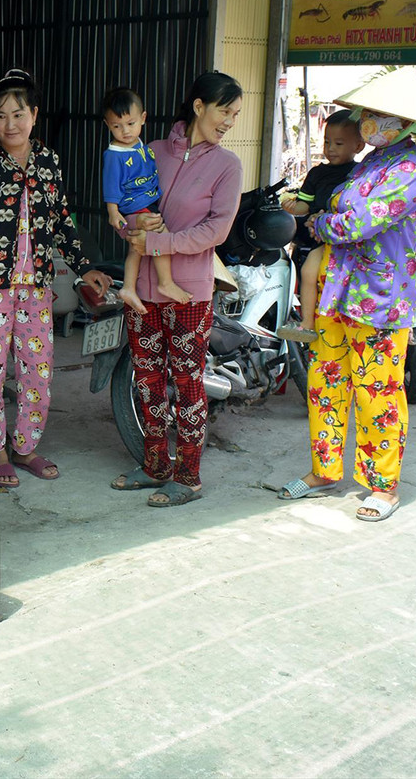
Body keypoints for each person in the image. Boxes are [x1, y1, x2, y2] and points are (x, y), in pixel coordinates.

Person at [276, 66, 416, 522]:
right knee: (325, 383)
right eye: (369, 113)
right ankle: (324, 471)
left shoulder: (412, 168)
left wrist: (316, 222)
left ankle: (383, 486)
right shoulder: (372, 162)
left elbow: (354, 222)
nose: (371, 121)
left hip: (380, 297)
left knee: (376, 391)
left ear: (406, 124)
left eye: (381, 115)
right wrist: (324, 216)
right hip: (339, 289)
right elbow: (339, 207)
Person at [0, 68, 110, 490]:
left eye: (18, 114)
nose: (10, 124)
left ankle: (26, 447)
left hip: (35, 284)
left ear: (34, 115)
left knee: (37, 369)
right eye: (0, 115)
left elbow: (61, 219)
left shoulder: (48, 161)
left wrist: (83, 265)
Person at [107, 71, 244, 508]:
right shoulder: (151, 151)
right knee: (145, 383)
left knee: (186, 385)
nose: (230, 121)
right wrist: (132, 228)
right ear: (199, 106)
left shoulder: (227, 166)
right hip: (142, 291)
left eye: (236, 114)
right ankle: (154, 466)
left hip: (189, 294)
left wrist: (159, 242)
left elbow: (216, 231)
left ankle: (188, 476)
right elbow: (130, 202)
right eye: (225, 110)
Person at [277, 109, 364, 344]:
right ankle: (306, 323)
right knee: (307, 272)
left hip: (352, 244)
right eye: (327, 142)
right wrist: (290, 206)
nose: (330, 149)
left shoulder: (360, 173)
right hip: (322, 240)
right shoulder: (317, 173)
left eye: (338, 143)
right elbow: (305, 205)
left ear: (358, 145)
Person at [100, 87, 189, 313]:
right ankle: (165, 282)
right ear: (107, 124)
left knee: (135, 250)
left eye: (130, 123)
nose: (125, 131)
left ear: (143, 118)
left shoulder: (141, 145)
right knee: (162, 236)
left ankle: (128, 287)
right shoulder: (113, 154)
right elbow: (110, 185)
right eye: (116, 126)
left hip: (148, 203)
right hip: (136, 205)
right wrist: (113, 212)